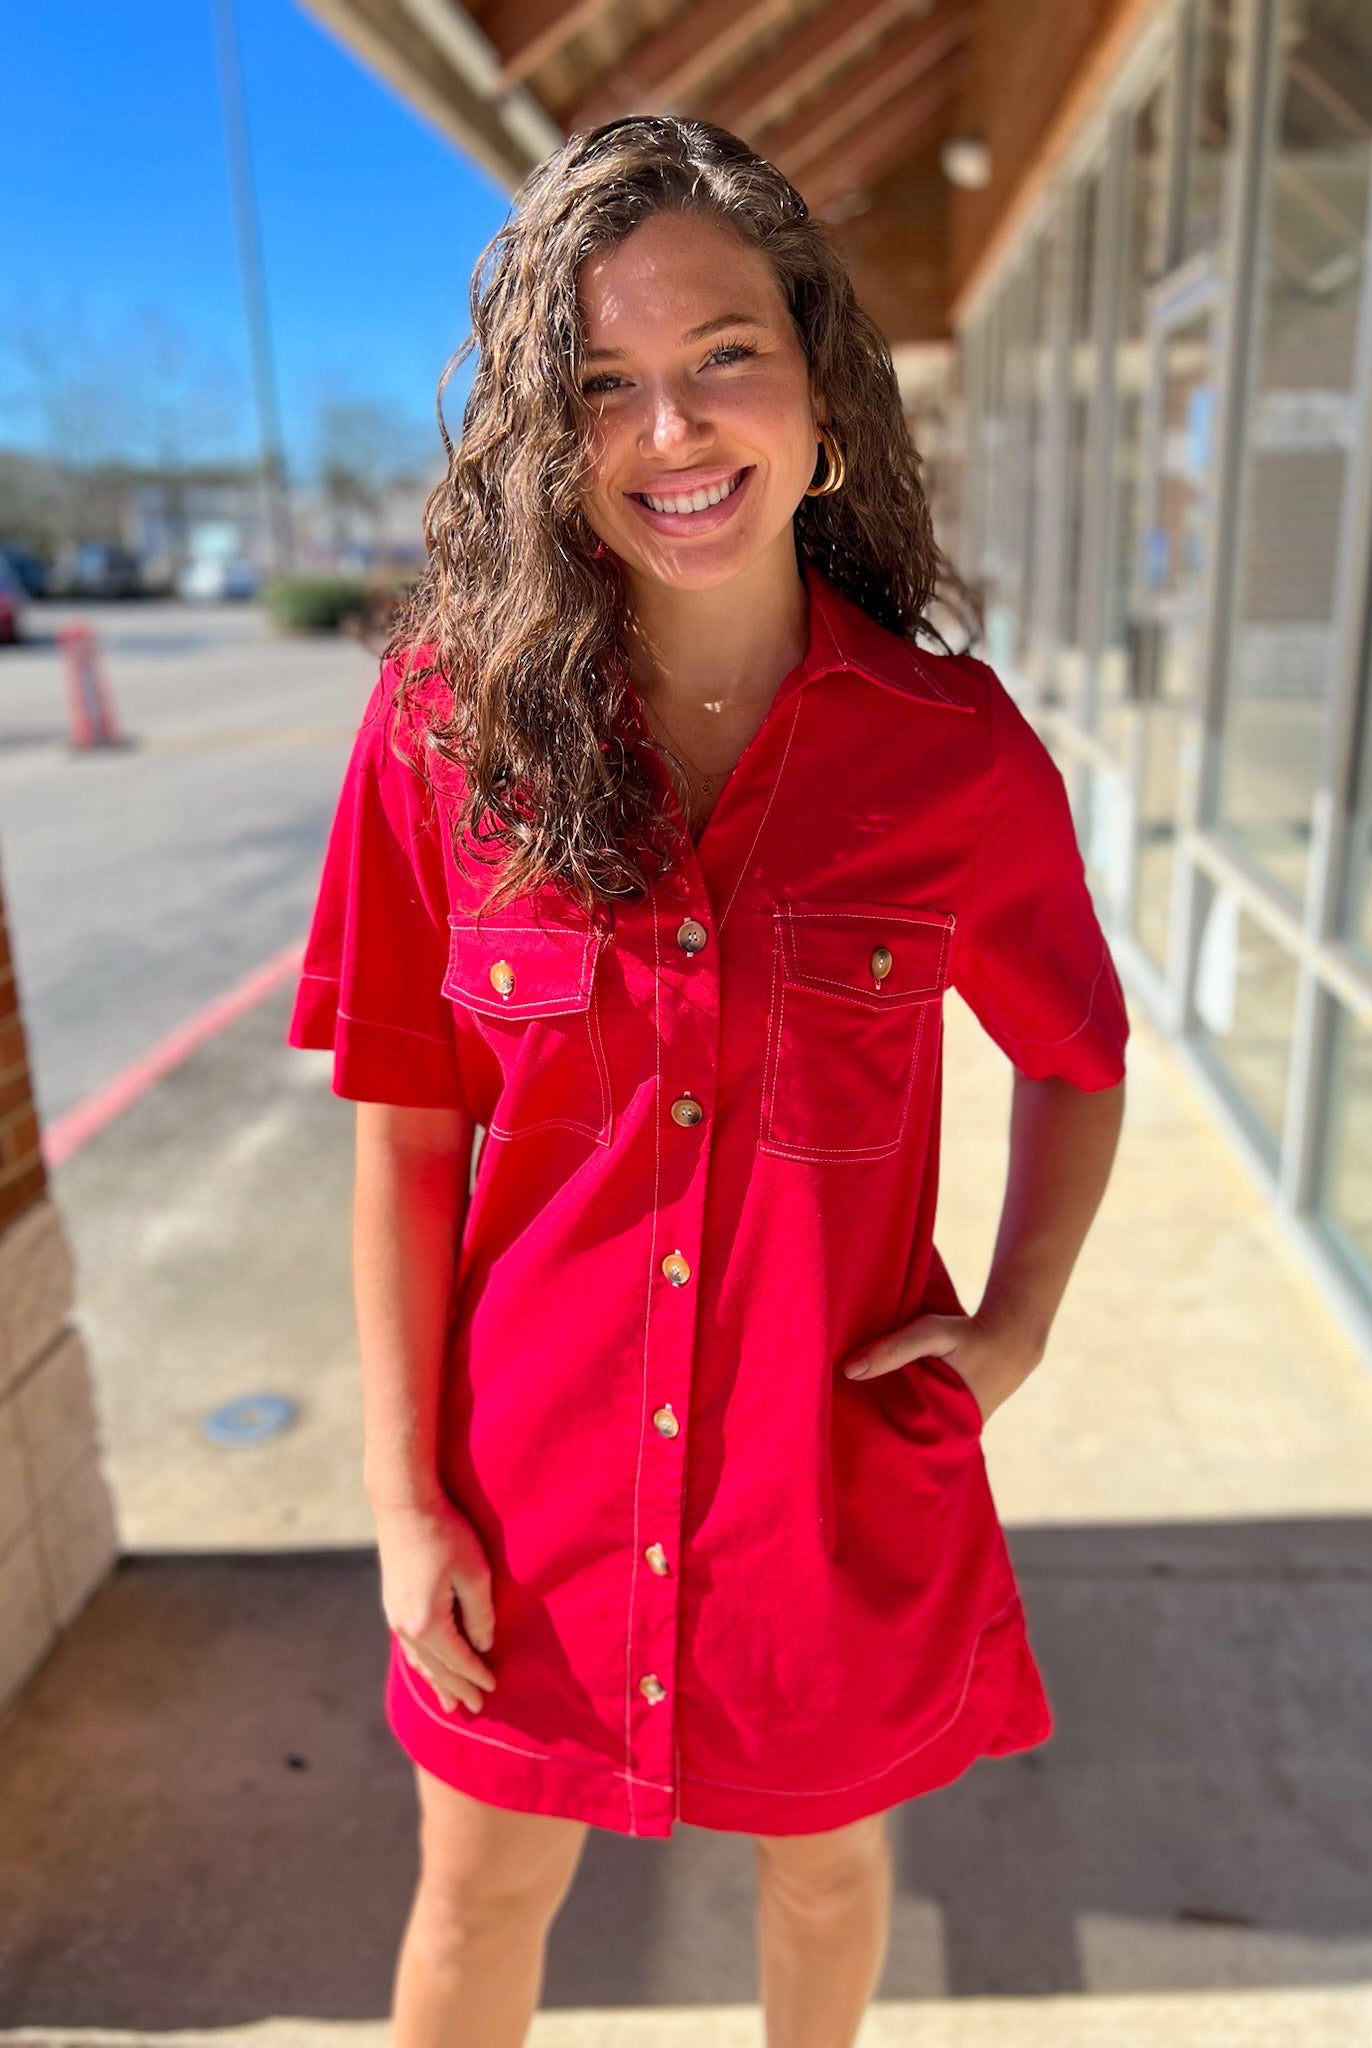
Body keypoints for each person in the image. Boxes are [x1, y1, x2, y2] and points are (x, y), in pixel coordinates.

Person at [287, 114, 1129, 2048]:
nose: (670, 430)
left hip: (823, 1510)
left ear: (822, 389)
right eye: (601, 384)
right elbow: (408, 1138)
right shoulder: (441, 735)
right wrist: (405, 1504)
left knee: (826, 1872)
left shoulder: (952, 755)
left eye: (722, 355)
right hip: (527, 1502)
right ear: (544, 442)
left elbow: (1076, 1058)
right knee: (478, 1893)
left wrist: (1011, 1330)